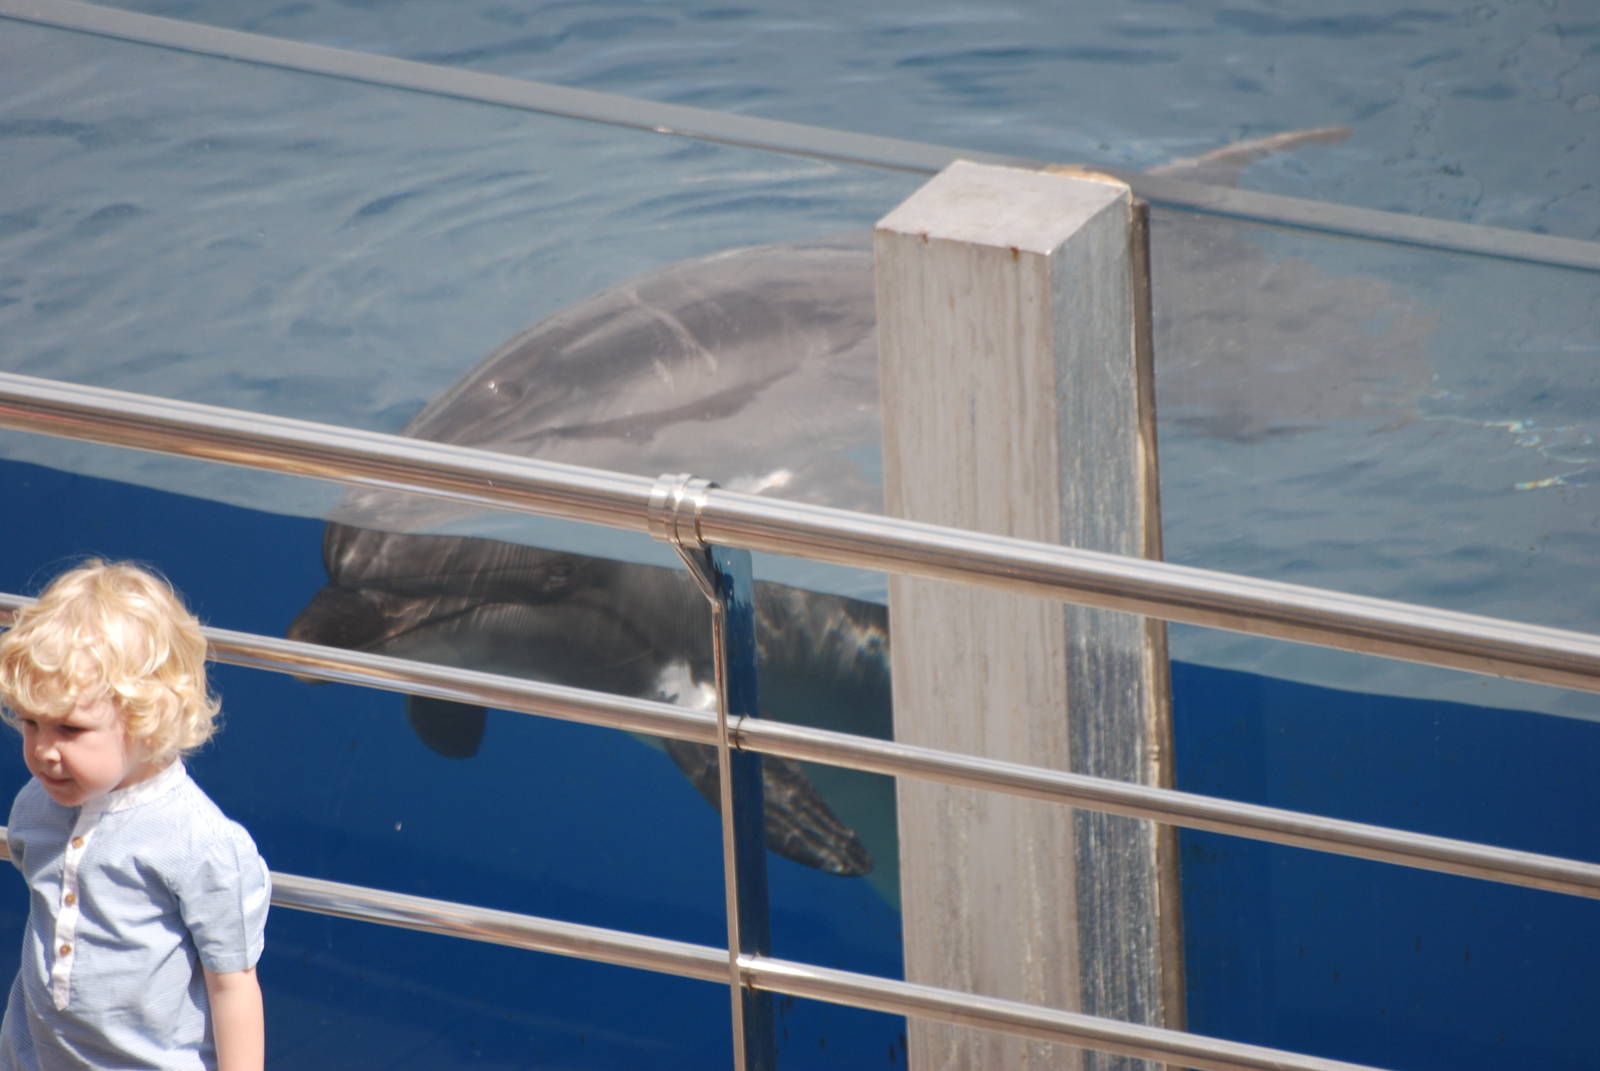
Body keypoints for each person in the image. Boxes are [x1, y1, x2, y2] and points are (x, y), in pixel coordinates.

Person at [0, 561, 268, 1071]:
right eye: (29, 723)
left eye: (70, 729)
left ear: (150, 720)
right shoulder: (35, 804)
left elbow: (232, 984)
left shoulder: (200, 843)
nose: (44, 751)